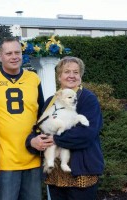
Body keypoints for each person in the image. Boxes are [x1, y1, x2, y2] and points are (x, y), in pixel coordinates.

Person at [27, 56, 104, 200]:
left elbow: (87, 133)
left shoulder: (88, 99)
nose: (71, 76)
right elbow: (40, 127)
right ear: (59, 77)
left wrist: (55, 139)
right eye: (67, 72)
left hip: (81, 172)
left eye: (76, 72)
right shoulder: (51, 101)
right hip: (56, 174)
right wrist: (32, 141)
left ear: (80, 76)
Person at [0, 37, 50, 200]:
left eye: (17, 52)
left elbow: (41, 116)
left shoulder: (33, 78)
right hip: (5, 158)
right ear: (0, 57)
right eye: (9, 53)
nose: (14, 56)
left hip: (32, 155)